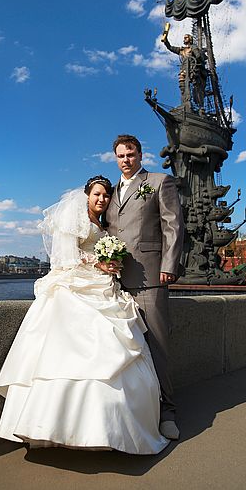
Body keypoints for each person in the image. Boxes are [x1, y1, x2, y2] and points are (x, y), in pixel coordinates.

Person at [0, 175, 169, 454]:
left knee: (115, 345)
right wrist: (98, 262)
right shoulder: (73, 221)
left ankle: (108, 429)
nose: (102, 200)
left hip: (102, 286)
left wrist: (108, 264)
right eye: (97, 195)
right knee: (67, 353)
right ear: (86, 195)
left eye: (106, 196)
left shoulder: (103, 224)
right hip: (76, 286)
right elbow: (64, 258)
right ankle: (50, 426)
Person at [104, 135, 184, 440]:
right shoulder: (111, 192)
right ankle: (135, 411)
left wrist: (169, 265)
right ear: (116, 158)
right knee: (123, 348)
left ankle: (169, 411)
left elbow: (173, 225)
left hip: (151, 277)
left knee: (158, 345)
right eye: (121, 156)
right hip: (115, 281)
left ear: (140, 154)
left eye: (131, 154)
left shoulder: (159, 181)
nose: (126, 160)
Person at [161, 32, 208, 108]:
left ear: (190, 39)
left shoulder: (193, 47)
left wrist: (197, 59)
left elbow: (198, 57)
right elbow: (170, 47)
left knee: (195, 86)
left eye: (186, 37)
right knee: (182, 85)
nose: (184, 39)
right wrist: (166, 40)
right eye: (184, 38)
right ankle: (185, 103)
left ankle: (200, 106)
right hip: (184, 69)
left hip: (193, 69)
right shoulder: (181, 50)